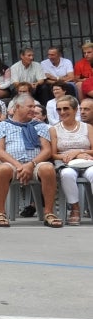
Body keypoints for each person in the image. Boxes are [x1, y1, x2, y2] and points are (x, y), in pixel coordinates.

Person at [0, 94, 59, 228]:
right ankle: (0, 213)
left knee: (48, 168)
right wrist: (18, 165)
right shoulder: (2, 126)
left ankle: (49, 213)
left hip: (34, 164)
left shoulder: (40, 126)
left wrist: (30, 164)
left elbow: (46, 150)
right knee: (3, 169)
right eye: (30, 106)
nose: (34, 109)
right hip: (12, 164)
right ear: (17, 107)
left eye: (34, 106)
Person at [49, 94, 93, 226]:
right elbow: (53, 154)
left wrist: (79, 152)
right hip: (65, 162)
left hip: (87, 161)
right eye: (59, 109)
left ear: (75, 110)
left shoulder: (88, 127)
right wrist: (71, 155)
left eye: (66, 108)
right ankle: (75, 209)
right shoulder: (54, 129)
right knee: (66, 174)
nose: (62, 112)